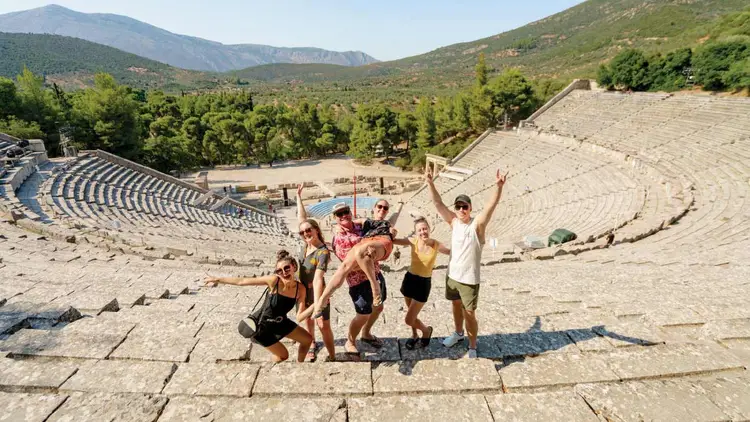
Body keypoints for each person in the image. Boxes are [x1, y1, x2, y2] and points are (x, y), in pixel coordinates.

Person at [425, 168, 508, 358]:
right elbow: (438, 203)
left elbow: (490, 208)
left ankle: (472, 346)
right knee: (455, 305)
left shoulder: (476, 225)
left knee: (469, 313)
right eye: (458, 207)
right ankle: (458, 333)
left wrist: (498, 187)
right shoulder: (454, 222)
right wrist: (430, 183)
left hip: (469, 278)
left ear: (470, 208)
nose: (461, 210)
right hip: (452, 274)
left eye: (465, 206)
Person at [297, 201, 394, 353]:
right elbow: (348, 266)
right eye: (339, 214)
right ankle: (350, 341)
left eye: (345, 212)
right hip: (358, 282)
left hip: (376, 274)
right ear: (335, 218)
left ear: (350, 212)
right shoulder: (339, 238)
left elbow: (380, 227)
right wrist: (367, 259)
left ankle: (366, 333)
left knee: (379, 307)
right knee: (363, 315)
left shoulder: (361, 227)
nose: (343, 216)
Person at [204, 250, 312, 362]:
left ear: (294, 266)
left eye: (287, 268)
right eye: (279, 271)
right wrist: (217, 279)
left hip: (281, 322)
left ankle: (300, 364)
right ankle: (269, 367)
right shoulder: (274, 281)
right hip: (262, 325)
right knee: (283, 356)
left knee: (307, 340)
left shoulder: (301, 289)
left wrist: (316, 305)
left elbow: (299, 317)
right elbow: (242, 281)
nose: (284, 272)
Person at [392, 217, 450, 349]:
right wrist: (391, 232)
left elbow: (450, 252)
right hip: (410, 280)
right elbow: (393, 240)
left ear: (429, 229)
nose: (423, 232)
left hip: (423, 283)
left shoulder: (436, 244)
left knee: (409, 318)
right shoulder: (413, 241)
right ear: (416, 232)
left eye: (425, 228)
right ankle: (414, 335)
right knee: (410, 312)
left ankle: (426, 331)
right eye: (419, 230)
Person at [295, 185, 336, 361]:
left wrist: (318, 303)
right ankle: (311, 343)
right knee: (308, 321)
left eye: (308, 230)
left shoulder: (323, 252)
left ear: (316, 230)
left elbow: (319, 278)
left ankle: (332, 355)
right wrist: (298, 196)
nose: (305, 233)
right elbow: (302, 219)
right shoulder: (305, 245)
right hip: (302, 292)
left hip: (317, 292)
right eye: (303, 232)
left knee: (322, 324)